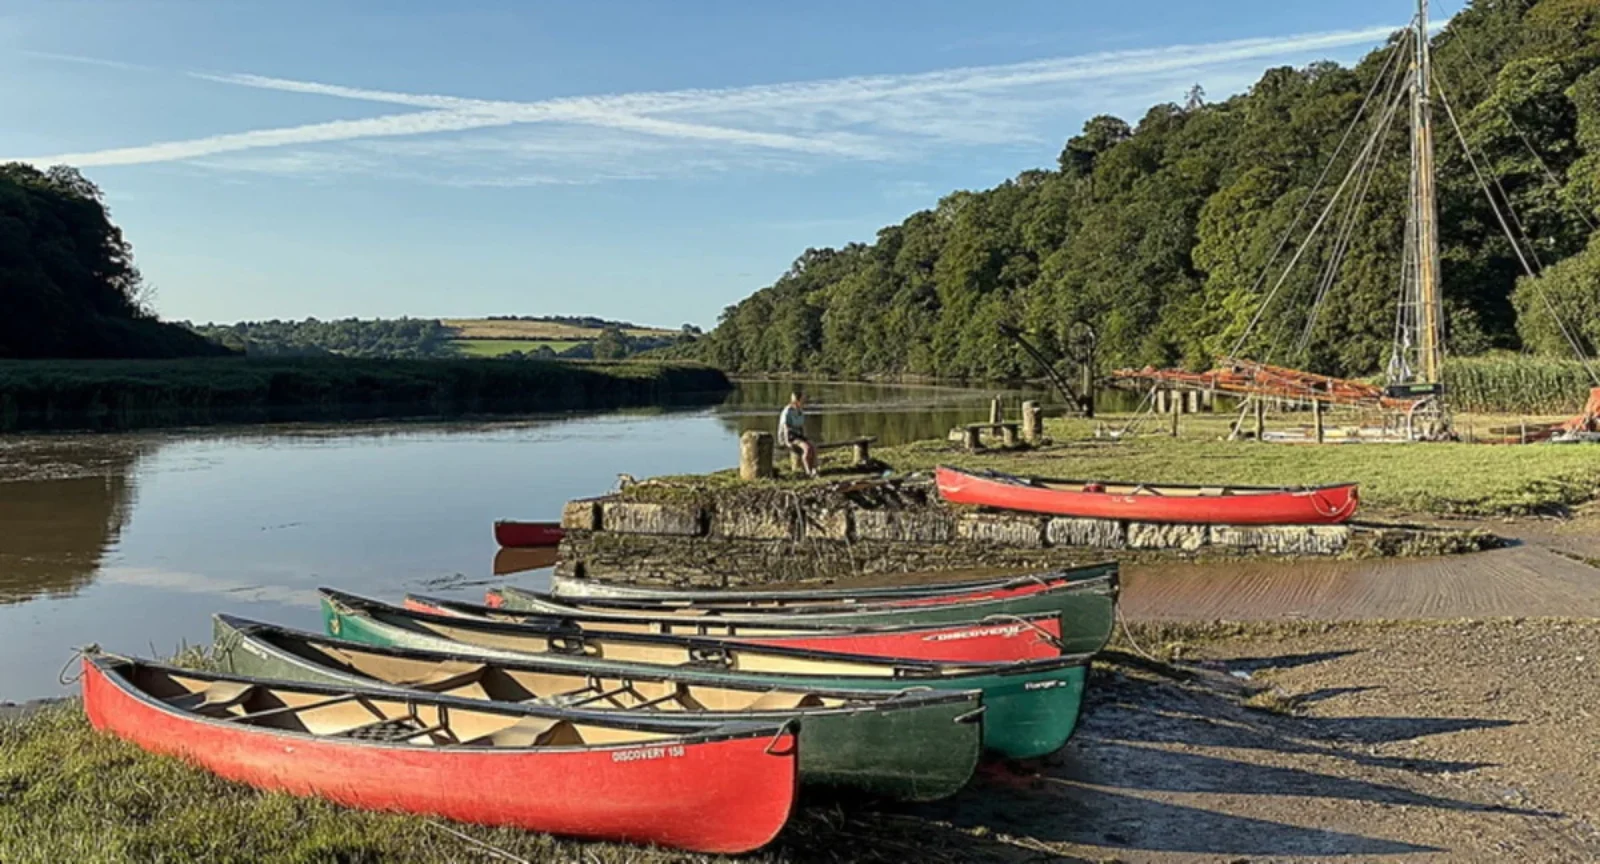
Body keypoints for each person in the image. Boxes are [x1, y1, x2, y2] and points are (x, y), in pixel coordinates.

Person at [778, 391, 818, 478]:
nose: (804, 401)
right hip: (789, 435)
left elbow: (802, 426)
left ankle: (814, 469)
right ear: (797, 400)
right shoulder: (788, 411)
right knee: (807, 448)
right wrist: (787, 441)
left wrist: (805, 438)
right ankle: (808, 472)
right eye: (803, 400)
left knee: (813, 446)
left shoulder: (800, 411)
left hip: (798, 434)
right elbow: (786, 427)